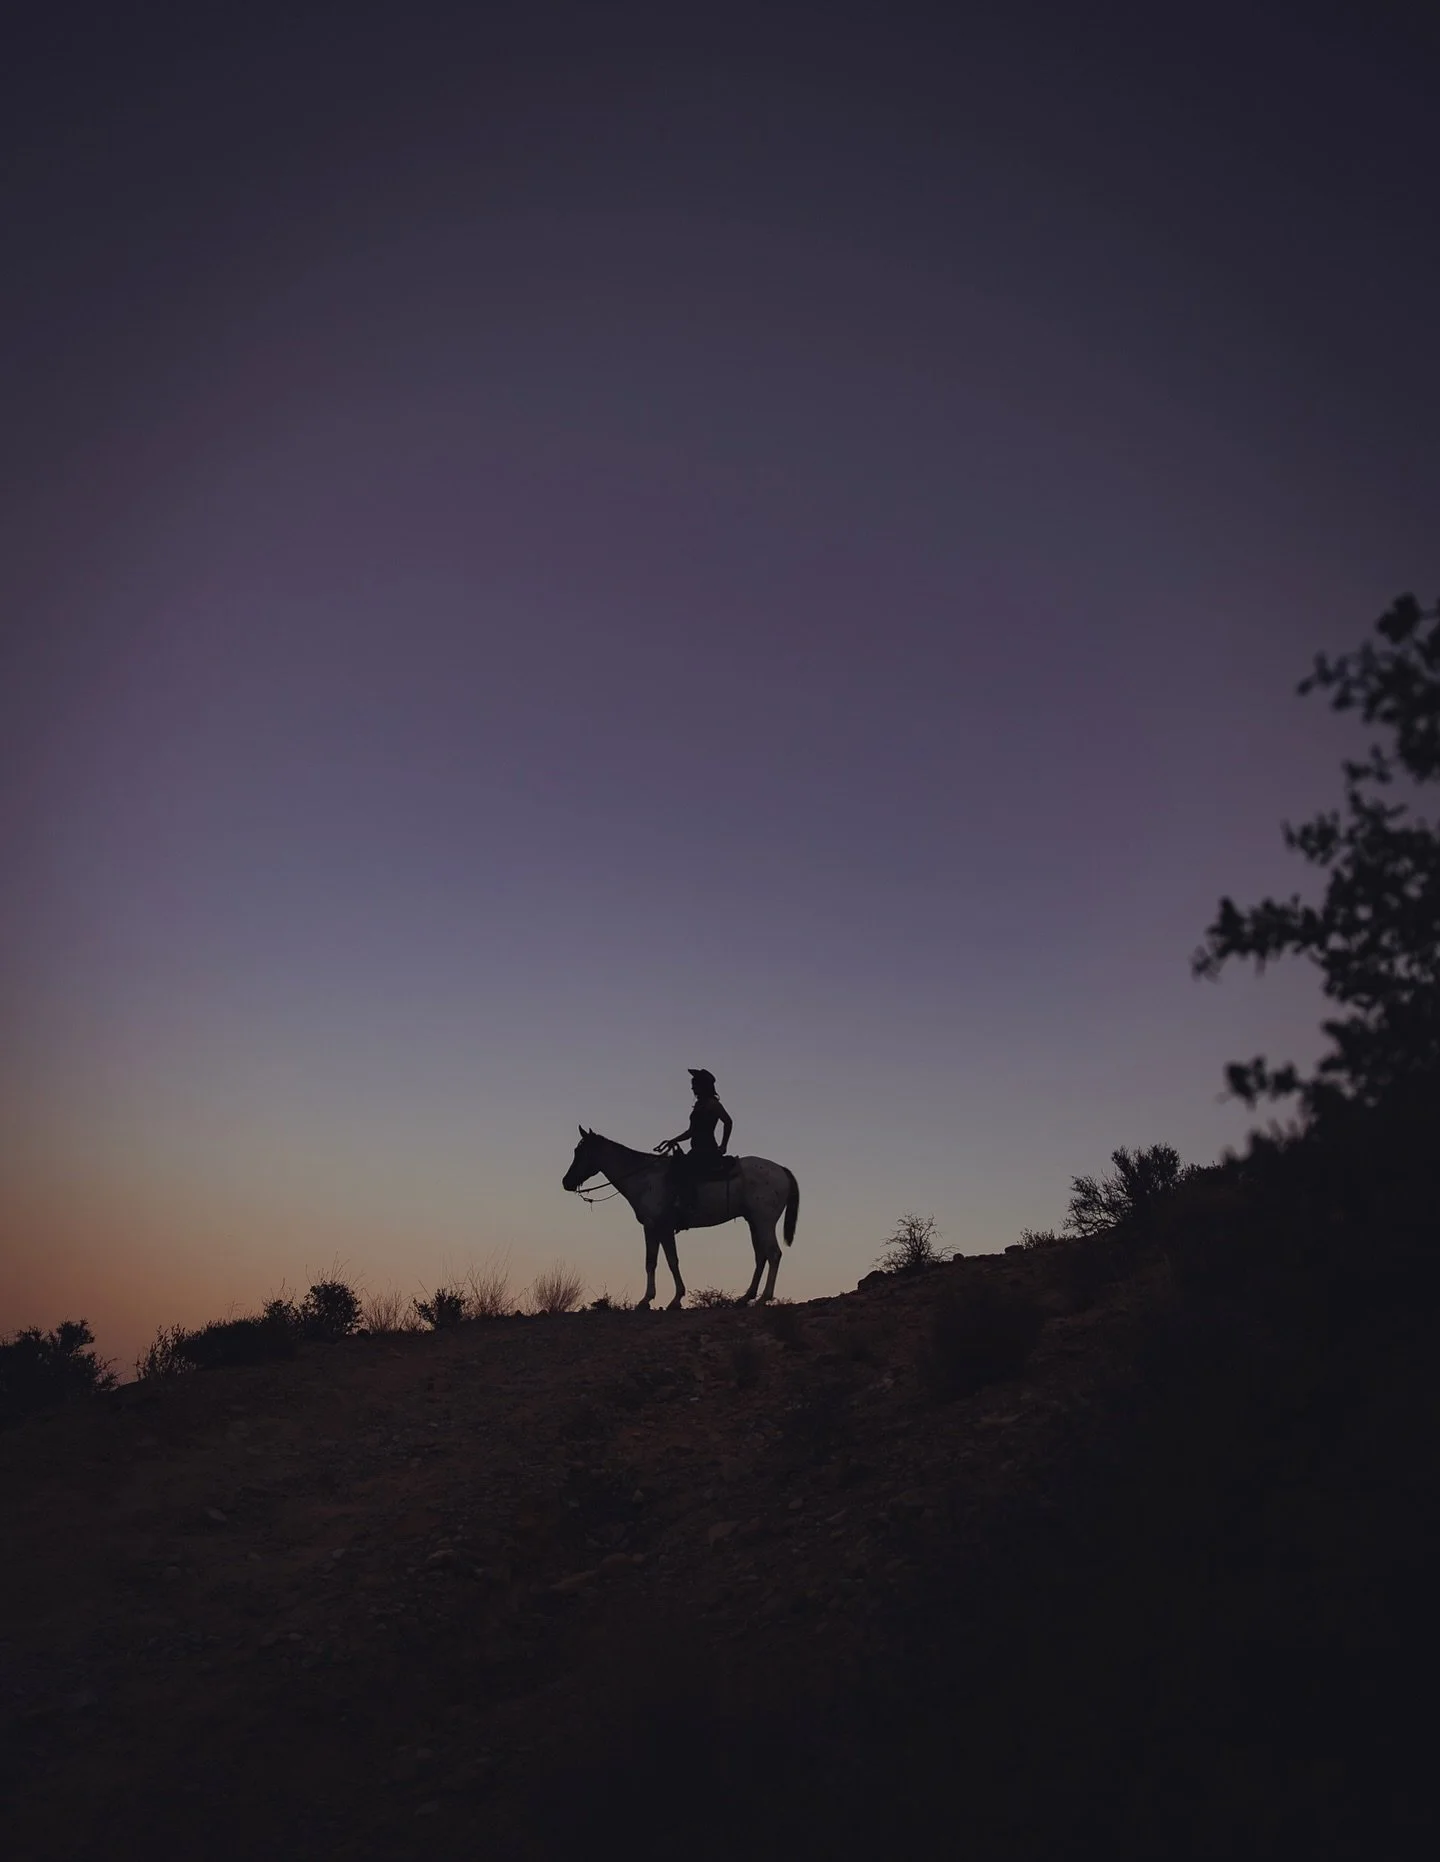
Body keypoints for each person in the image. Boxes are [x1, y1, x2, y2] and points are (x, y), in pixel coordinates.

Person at [655, 1068, 733, 1227]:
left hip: (707, 1150)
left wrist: (723, 1145)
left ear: (704, 1086)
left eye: (695, 1084)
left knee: (683, 1170)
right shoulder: (699, 1105)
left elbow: (728, 1122)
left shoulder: (713, 1104)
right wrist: (673, 1140)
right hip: (696, 1149)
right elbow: (691, 1131)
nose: (692, 1088)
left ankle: (689, 1206)